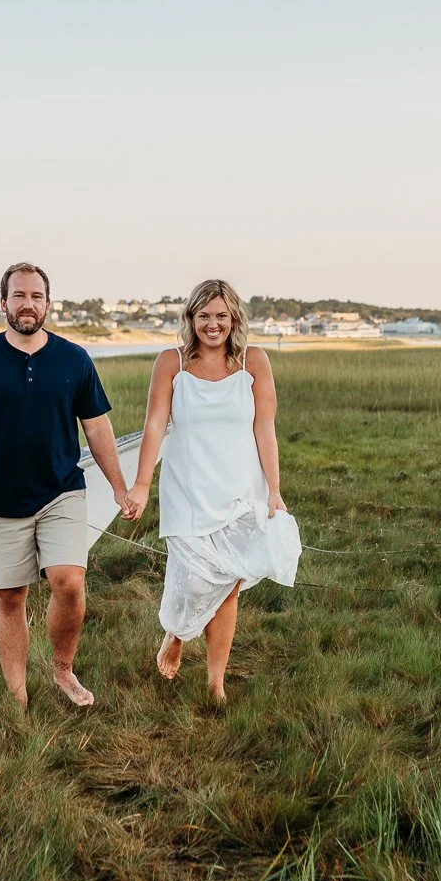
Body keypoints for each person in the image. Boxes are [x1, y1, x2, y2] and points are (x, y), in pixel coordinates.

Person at [0, 263, 129, 710]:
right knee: (9, 596)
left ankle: (62, 669)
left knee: (69, 582)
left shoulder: (74, 359)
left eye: (36, 296)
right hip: (0, 498)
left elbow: (97, 429)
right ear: (3, 303)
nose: (27, 304)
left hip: (61, 490)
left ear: (47, 303)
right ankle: (17, 697)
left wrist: (119, 487)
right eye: (19, 296)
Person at [120, 279, 299, 704]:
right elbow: (154, 425)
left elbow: (265, 427)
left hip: (240, 490)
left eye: (221, 315)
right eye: (204, 316)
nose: (213, 324)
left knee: (227, 585)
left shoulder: (254, 361)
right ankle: (178, 633)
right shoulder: (171, 364)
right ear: (191, 318)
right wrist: (142, 485)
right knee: (196, 580)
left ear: (234, 318)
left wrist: (273, 490)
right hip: (188, 491)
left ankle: (216, 682)